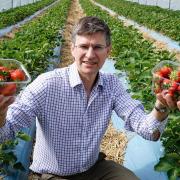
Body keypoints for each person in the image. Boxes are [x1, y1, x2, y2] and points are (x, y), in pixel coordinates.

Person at [0, 16, 180, 180]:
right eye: (84, 46)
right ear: (72, 49)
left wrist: (161, 105)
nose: (90, 54)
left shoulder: (112, 85)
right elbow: (6, 131)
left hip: (94, 169)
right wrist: (1, 114)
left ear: (108, 51)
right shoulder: (46, 85)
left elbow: (147, 130)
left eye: (98, 47)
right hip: (54, 174)